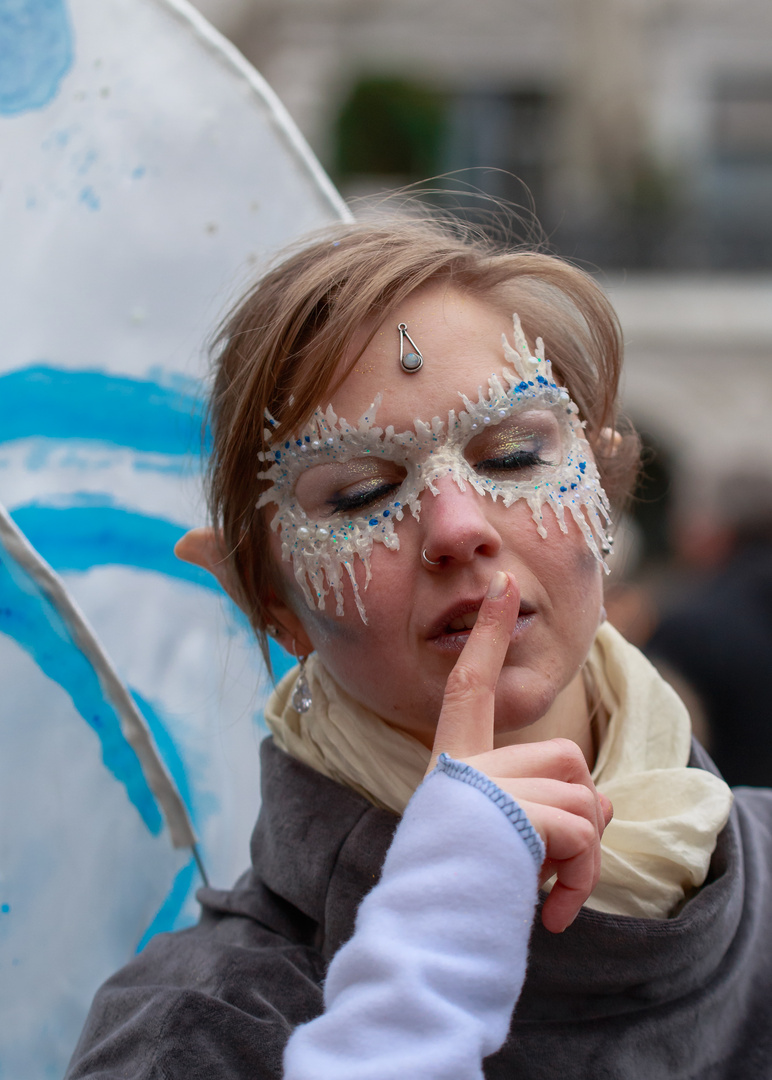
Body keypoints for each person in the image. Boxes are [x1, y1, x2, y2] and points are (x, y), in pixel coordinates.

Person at [66, 219, 772, 1079]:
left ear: (604, 480)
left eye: (513, 455)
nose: (457, 527)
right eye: (362, 494)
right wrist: (434, 946)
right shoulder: (190, 1034)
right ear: (269, 599)